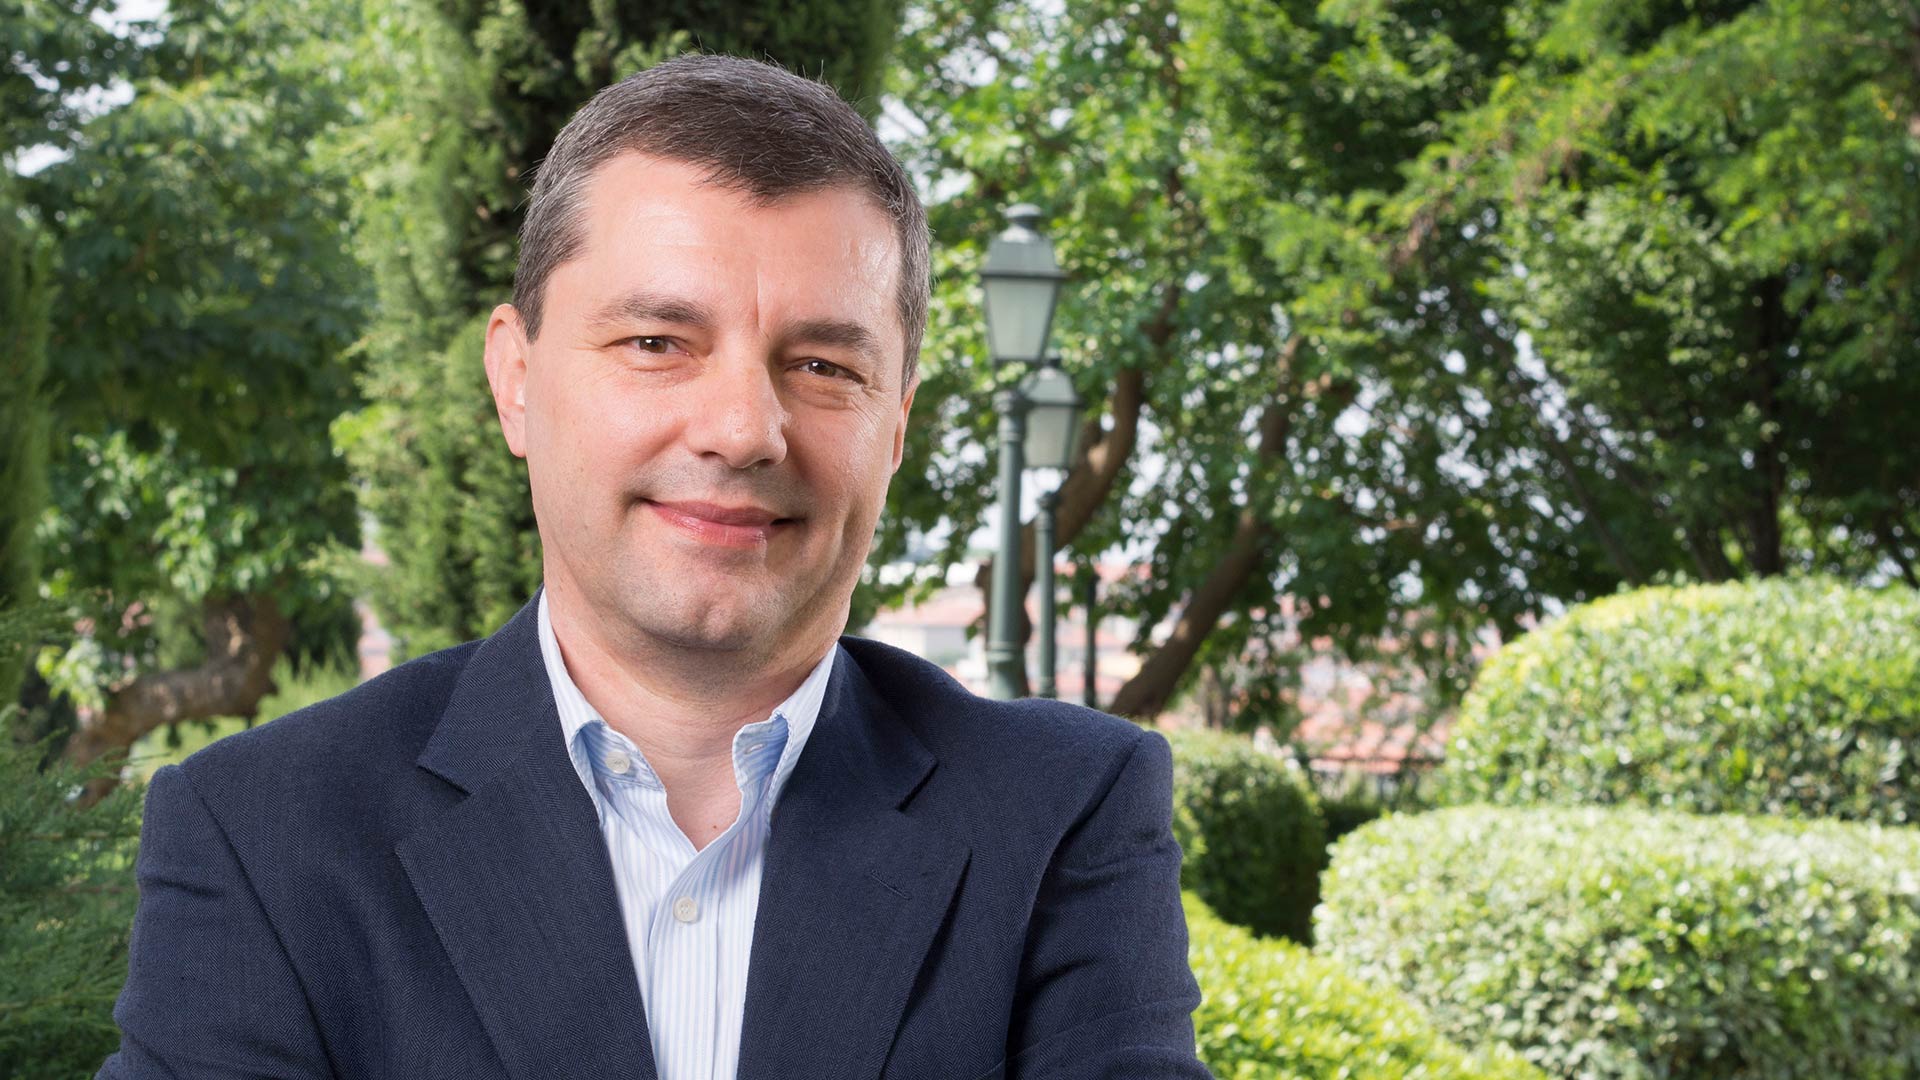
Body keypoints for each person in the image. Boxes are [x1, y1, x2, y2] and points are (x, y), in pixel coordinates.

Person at [98, 54, 1208, 1080]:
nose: (744, 429)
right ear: (516, 380)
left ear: (898, 426)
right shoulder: (263, 835)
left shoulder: (1061, 818)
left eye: (824, 365)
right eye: (656, 343)